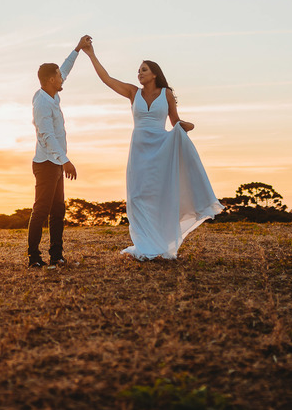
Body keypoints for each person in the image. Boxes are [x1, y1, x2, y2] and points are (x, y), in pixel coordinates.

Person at [81, 40, 223, 259]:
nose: (139, 74)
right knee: (137, 196)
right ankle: (144, 244)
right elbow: (107, 79)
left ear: (154, 74)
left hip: (160, 148)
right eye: (138, 71)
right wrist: (91, 55)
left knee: (158, 195)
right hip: (139, 149)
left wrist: (187, 126)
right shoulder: (132, 92)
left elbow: (175, 122)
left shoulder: (166, 94)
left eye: (144, 70)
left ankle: (160, 243)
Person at [28, 35, 91, 268]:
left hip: (55, 163)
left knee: (58, 211)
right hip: (46, 164)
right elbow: (46, 136)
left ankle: (56, 255)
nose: (62, 77)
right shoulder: (42, 103)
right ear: (51, 79)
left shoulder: (52, 93)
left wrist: (77, 49)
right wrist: (65, 160)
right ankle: (33, 257)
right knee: (41, 210)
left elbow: (66, 68)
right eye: (59, 76)